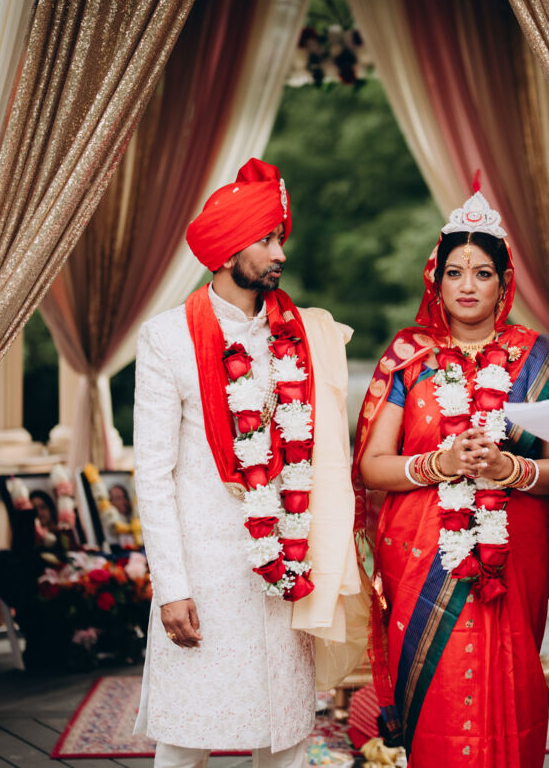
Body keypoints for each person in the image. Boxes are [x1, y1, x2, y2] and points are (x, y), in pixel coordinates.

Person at [133, 159, 364, 768]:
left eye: (280, 237)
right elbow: (153, 474)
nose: (280, 252)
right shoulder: (166, 338)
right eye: (266, 239)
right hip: (204, 573)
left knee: (286, 733)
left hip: (287, 566)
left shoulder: (304, 334)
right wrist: (171, 588)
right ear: (228, 248)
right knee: (186, 736)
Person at [355, 182, 549, 767]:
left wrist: (509, 468)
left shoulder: (541, 361)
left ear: (504, 283)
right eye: (454, 273)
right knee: (434, 693)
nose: (467, 286)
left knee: (512, 683)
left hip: (512, 555)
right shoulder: (409, 358)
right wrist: (442, 464)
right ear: (436, 281)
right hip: (422, 557)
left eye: (482, 273)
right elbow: (373, 466)